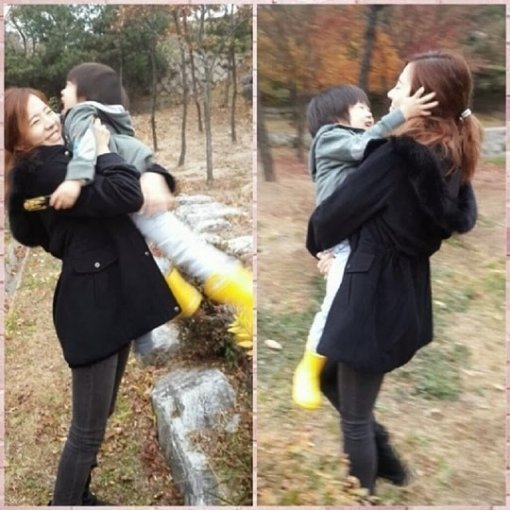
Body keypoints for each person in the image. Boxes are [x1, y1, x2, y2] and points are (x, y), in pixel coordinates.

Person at [305, 50, 481, 494]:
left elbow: (332, 217)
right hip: (402, 293)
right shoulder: (449, 158)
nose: (390, 93)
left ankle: (364, 493)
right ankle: (387, 463)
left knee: (354, 418)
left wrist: (321, 246)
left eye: (400, 85)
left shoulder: (398, 158)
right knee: (329, 379)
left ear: (426, 97)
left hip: (368, 294)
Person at [5, 87, 182, 505]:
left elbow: (31, 231)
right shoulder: (48, 171)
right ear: (19, 142)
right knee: (86, 431)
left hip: (108, 294)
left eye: (48, 111)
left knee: (99, 415)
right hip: (93, 307)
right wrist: (101, 150)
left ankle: (80, 495)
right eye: (35, 121)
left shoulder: (57, 163)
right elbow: (127, 193)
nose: (51, 121)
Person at [52, 62, 253, 349]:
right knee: (153, 247)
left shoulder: (81, 114)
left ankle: (239, 288)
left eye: (68, 86)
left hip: (127, 189)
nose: (62, 91)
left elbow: (87, 146)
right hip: (125, 193)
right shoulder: (104, 116)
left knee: (177, 243)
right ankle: (187, 294)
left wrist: (75, 180)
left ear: (84, 95)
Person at [292, 84, 438, 410]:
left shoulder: (353, 143)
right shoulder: (330, 138)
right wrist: (401, 115)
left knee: (351, 303)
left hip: (356, 236)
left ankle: (340, 373)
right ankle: (308, 368)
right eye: (360, 107)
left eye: (368, 106)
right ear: (335, 116)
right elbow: (367, 145)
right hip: (341, 236)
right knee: (334, 304)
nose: (369, 112)